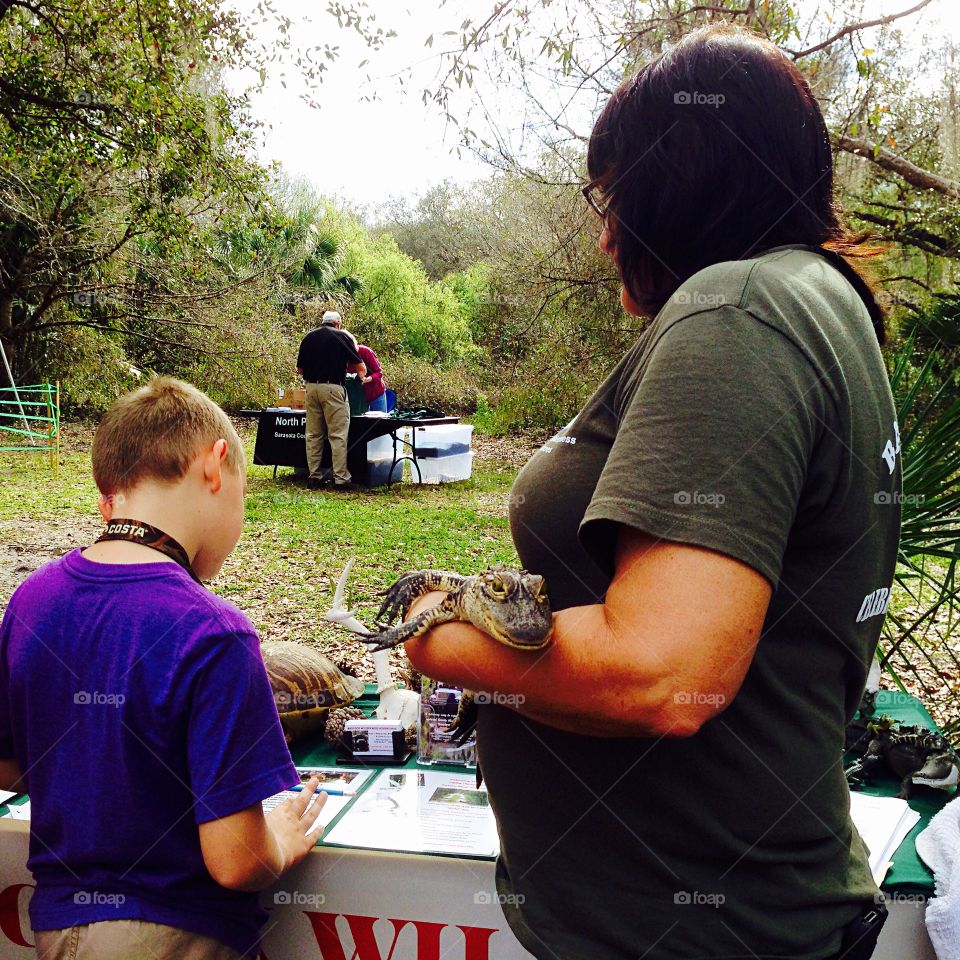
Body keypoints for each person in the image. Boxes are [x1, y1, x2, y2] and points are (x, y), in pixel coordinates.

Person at [400, 25, 899, 960]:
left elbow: (667, 672)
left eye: (613, 195)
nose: (602, 233)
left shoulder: (738, 313)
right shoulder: (817, 299)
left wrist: (438, 630)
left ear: (680, 182)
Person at [0, 377, 326, 960]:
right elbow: (234, 861)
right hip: (177, 939)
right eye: (243, 494)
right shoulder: (215, 631)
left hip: (54, 932)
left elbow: (10, 769)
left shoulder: (30, 601)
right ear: (215, 465)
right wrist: (277, 839)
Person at [296, 309, 361, 491]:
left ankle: (314, 477)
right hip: (333, 388)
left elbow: (299, 370)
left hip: (311, 389)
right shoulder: (342, 336)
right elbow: (359, 365)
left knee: (313, 435)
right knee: (338, 435)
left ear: (323, 321)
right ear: (338, 323)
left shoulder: (308, 337)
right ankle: (341, 479)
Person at [352, 343, 388, 412]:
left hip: (375, 392)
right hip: (357, 396)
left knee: (381, 420)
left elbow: (378, 373)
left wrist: (366, 379)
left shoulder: (365, 351)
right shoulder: (342, 355)